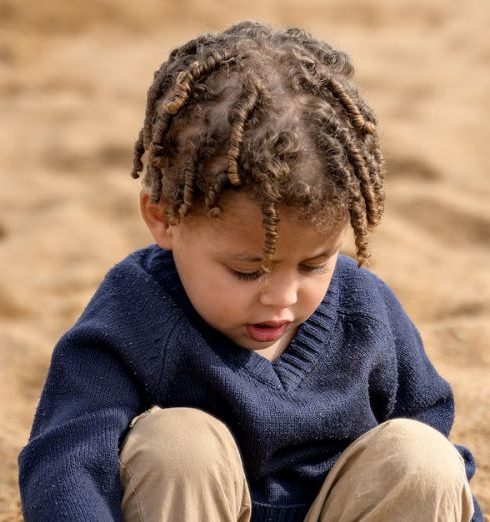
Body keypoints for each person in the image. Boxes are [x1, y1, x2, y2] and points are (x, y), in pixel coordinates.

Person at [18, 20, 482, 521]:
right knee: (177, 445)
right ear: (163, 218)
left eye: (314, 264)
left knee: (422, 456)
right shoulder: (135, 310)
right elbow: (67, 462)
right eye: (248, 271)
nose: (282, 297)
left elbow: (435, 460)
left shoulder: (366, 312)